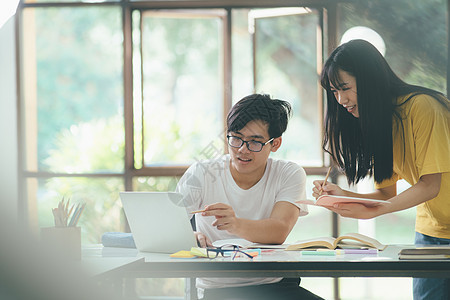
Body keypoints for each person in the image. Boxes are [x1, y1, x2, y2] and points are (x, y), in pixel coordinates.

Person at [313, 39, 450, 300]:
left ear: (369, 80)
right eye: (334, 91)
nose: (341, 100)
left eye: (345, 88)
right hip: (432, 231)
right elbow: (386, 195)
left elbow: (431, 185)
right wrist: (343, 195)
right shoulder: (379, 122)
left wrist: (376, 212)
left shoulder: (423, 107)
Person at [176, 94, 323, 300]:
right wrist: (188, 237)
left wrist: (235, 224)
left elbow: (279, 230)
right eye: (235, 138)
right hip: (216, 289)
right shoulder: (201, 173)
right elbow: (169, 227)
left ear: (276, 143)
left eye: (255, 142)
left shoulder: (289, 173)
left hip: (275, 284)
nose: (242, 150)